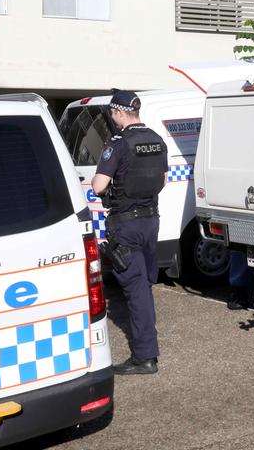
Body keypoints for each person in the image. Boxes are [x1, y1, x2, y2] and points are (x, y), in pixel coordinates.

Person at [92, 89, 167, 376]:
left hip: (127, 224)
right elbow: (161, 179)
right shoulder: (156, 140)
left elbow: (99, 186)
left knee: (136, 291)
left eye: (112, 113)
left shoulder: (119, 143)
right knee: (144, 285)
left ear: (120, 112)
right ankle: (146, 348)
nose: (112, 117)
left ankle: (145, 357)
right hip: (151, 221)